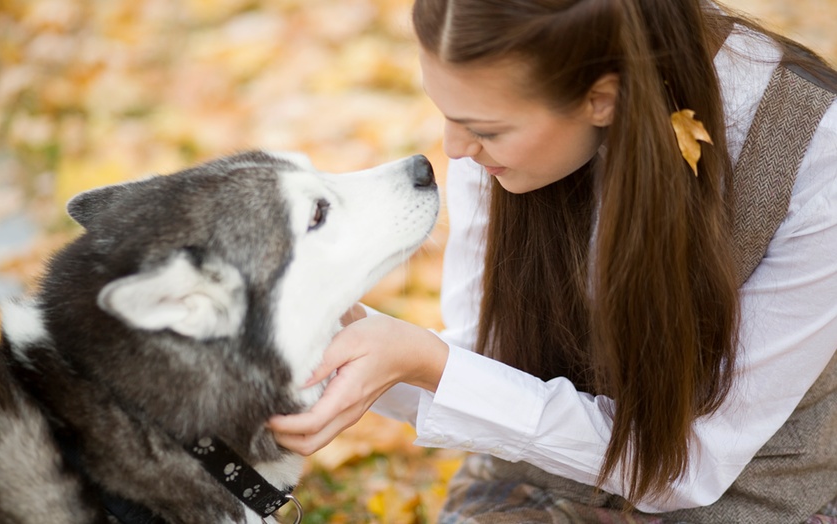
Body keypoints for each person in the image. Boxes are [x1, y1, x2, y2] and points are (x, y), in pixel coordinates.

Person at [269, 0, 837, 521]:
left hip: (744, 500)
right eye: (445, 112)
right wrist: (338, 339)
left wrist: (429, 364)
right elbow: (490, 366)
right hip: (543, 480)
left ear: (603, 98)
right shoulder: (497, 140)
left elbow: (686, 469)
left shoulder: (814, 158)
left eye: (486, 129)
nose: (453, 149)